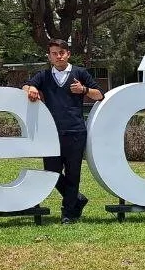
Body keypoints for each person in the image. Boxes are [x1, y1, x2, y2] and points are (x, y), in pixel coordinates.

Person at [24, 39, 104, 224]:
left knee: (73, 173)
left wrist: (83, 89)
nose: (58, 56)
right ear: (49, 56)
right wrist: (33, 88)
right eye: (54, 53)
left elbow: (100, 94)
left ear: (68, 53)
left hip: (75, 131)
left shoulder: (80, 73)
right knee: (51, 172)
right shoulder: (43, 75)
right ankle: (76, 199)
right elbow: (25, 86)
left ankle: (68, 213)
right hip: (51, 133)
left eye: (61, 52)